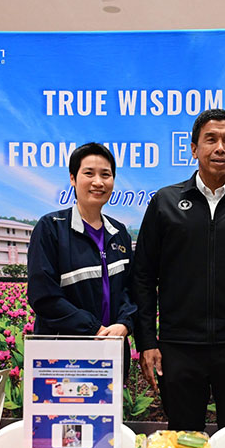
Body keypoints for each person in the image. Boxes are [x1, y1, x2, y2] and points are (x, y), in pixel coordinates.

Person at [133, 108, 225, 431]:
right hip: (179, 348)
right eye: (211, 139)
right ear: (194, 148)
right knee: (184, 441)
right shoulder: (165, 203)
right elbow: (143, 277)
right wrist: (147, 341)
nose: (220, 148)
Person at [27, 142, 136, 344]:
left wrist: (124, 323)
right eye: (89, 173)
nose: (98, 182)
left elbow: (130, 289)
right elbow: (43, 296)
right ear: (72, 178)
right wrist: (94, 328)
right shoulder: (51, 227)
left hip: (113, 346)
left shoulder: (119, 232)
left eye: (105, 175)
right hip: (64, 351)